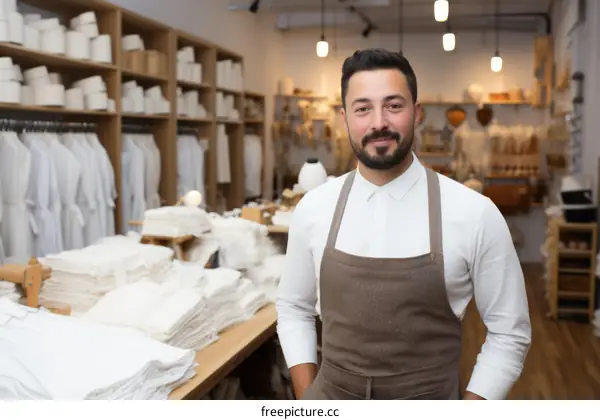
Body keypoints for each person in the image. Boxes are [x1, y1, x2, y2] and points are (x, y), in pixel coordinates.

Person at [275, 48, 531, 400]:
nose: (379, 121)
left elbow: (509, 332)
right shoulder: (314, 208)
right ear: (345, 117)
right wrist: (307, 401)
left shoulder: (475, 213)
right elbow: (294, 308)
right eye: (363, 108)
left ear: (417, 113)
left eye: (394, 105)